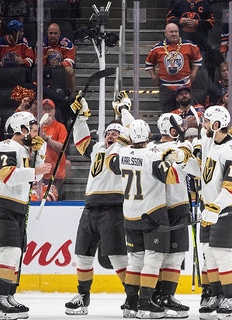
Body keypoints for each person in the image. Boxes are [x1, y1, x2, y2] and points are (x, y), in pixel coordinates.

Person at [106, 119, 184, 319]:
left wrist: (122, 140)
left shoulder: (122, 154)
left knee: (136, 260)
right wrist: (170, 159)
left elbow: (110, 162)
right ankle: (145, 302)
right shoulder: (153, 155)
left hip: (130, 214)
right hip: (153, 214)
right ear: (149, 135)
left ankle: (130, 303)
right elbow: (173, 178)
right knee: (153, 259)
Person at [64, 96, 129, 316]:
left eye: (116, 132)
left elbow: (135, 136)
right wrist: (81, 116)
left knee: (118, 257)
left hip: (114, 208)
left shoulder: (126, 151)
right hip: (90, 207)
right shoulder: (98, 149)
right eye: (109, 132)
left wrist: (124, 112)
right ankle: (83, 296)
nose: (111, 135)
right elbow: (82, 141)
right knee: (83, 255)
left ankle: (132, 297)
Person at [0, 111, 51, 319]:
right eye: (31, 129)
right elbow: (6, 176)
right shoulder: (6, 146)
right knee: (9, 252)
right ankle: (0, 301)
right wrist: (35, 170)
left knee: (7, 253)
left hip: (15, 206)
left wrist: (40, 153)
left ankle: (5, 297)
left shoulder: (23, 150)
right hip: (2, 205)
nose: (35, 133)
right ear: (21, 129)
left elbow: (32, 181)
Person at [147, 113, 200, 317]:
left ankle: (160, 297)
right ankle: (161, 296)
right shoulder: (178, 146)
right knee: (167, 255)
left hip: (157, 207)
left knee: (165, 255)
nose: (182, 128)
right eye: (179, 125)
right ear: (171, 129)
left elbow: (191, 166)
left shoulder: (151, 149)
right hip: (175, 206)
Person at [197, 106, 232, 319]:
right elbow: (203, 172)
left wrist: (215, 207)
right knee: (209, 254)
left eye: (207, 121)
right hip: (209, 207)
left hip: (228, 208)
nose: (204, 124)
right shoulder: (210, 142)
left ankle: (230, 298)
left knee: (222, 254)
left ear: (217, 125)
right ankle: (217, 295)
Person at [146, 22, 203, 113]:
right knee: (168, 115)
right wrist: (153, 76)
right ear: (165, 33)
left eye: (176, 31)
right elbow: (149, 63)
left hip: (184, 86)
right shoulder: (157, 48)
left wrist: (194, 73)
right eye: (171, 32)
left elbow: (198, 59)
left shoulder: (189, 45)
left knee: (187, 113)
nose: (174, 34)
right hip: (166, 87)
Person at [37, 98, 68, 198]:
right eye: (44, 109)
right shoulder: (35, 127)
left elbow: (63, 147)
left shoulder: (60, 127)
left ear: (54, 111)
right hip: (38, 172)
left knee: (51, 199)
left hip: (55, 173)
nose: (47, 112)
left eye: (49, 109)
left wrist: (46, 139)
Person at [42, 22, 77, 96]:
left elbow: (70, 60)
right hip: (45, 68)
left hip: (61, 69)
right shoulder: (42, 44)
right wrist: (46, 57)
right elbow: (36, 61)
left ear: (59, 34)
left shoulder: (67, 44)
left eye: (55, 33)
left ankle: (72, 96)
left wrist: (60, 64)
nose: (53, 36)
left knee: (70, 70)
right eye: (51, 33)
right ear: (47, 33)